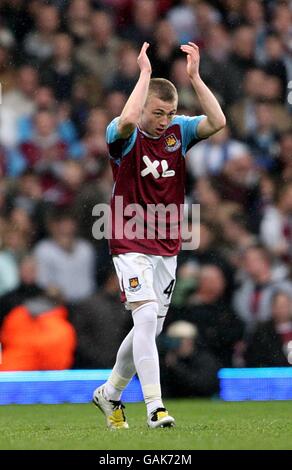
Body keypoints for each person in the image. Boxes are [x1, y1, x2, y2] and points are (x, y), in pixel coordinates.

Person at [92, 42, 226, 429]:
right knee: (146, 318)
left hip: (167, 243)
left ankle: (109, 394)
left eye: (170, 112)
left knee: (149, 327)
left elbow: (216, 121)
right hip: (127, 236)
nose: (165, 119)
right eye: (158, 112)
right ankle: (155, 406)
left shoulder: (179, 132)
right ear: (144, 105)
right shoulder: (124, 135)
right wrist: (145, 75)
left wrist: (196, 78)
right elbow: (130, 120)